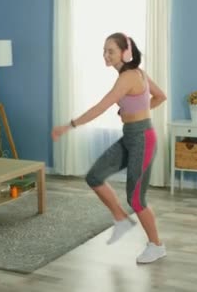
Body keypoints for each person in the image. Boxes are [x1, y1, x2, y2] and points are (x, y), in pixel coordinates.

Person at [51, 32, 167, 264]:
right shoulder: (137, 74)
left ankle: (156, 246)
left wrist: (69, 126)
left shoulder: (128, 77)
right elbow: (160, 97)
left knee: (136, 199)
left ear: (125, 53)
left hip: (143, 139)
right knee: (95, 176)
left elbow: (100, 107)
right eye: (104, 50)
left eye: (110, 51)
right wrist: (135, 112)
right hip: (131, 136)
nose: (105, 55)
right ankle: (121, 219)